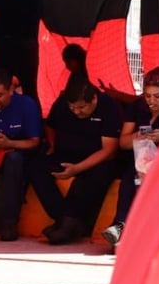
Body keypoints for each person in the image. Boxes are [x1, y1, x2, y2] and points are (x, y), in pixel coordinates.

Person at [26, 77, 121, 245]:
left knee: (98, 173)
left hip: (97, 157)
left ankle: (66, 224)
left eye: (82, 107)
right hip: (65, 153)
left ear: (93, 99)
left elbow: (109, 149)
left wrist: (77, 168)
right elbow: (50, 124)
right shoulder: (62, 103)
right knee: (34, 165)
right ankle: (65, 219)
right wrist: (52, 144)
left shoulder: (109, 107)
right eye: (73, 108)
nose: (77, 112)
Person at [102, 67, 159, 247]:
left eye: (157, 96)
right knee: (131, 176)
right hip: (140, 160)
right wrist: (138, 136)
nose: (151, 101)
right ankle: (120, 225)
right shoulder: (137, 107)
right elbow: (123, 143)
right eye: (148, 95)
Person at [0, 65, 42, 242]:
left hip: (17, 153)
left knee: (14, 161)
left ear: (11, 90)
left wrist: (9, 143)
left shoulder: (26, 105)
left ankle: (9, 223)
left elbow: (34, 141)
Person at [0, 0, 42, 109]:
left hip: (7, 46)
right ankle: (35, 119)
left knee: (0, 82)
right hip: (29, 46)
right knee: (30, 86)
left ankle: (1, 115)